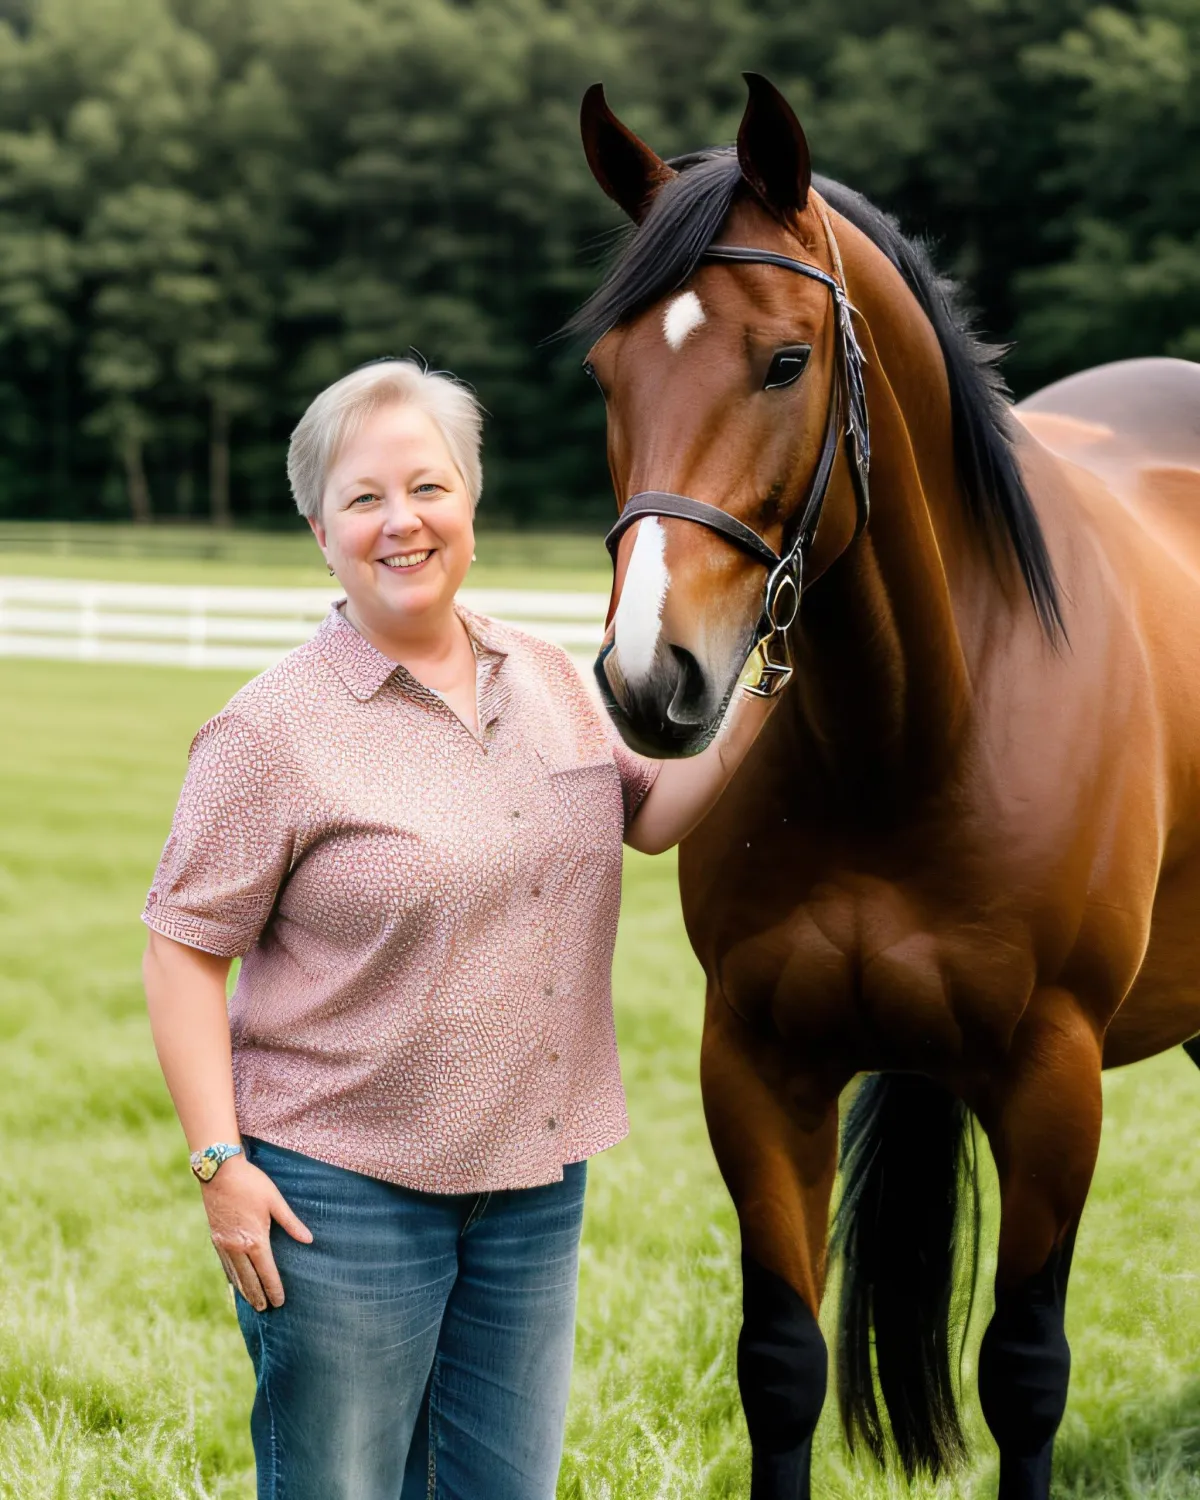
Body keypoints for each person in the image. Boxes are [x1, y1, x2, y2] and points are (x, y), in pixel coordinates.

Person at [141, 359, 775, 1500]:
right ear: (321, 532)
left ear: (470, 503)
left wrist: (762, 690)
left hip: (532, 1188)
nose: (403, 523)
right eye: (365, 498)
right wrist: (218, 1163)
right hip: (338, 1196)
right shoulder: (267, 731)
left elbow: (653, 817)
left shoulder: (552, 679)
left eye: (427, 488)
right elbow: (184, 952)